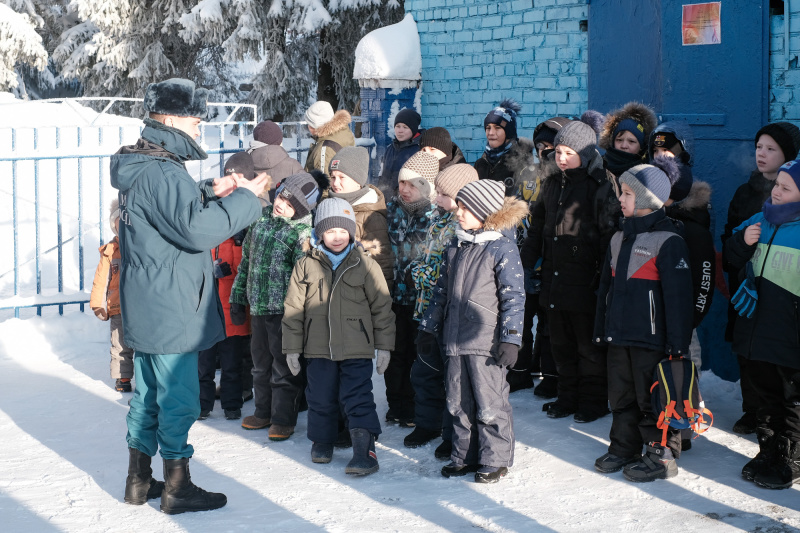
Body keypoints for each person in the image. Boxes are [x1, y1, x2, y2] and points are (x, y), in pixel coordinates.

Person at [111, 78, 268, 513]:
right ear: (172, 118)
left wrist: (208, 191)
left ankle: (138, 480)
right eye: (196, 119)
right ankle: (178, 487)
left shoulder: (147, 165)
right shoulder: (162, 171)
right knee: (178, 396)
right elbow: (196, 231)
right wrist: (247, 200)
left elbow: (167, 211)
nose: (200, 128)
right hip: (170, 302)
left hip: (149, 299)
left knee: (146, 394)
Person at [418, 180, 527, 484]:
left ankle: (495, 458)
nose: (458, 212)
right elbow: (440, 290)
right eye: (459, 206)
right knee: (457, 401)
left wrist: (511, 338)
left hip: (486, 342)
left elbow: (513, 296)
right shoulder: (456, 244)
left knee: (489, 403)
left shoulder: (501, 247)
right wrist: (428, 327)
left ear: (484, 212)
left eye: (466, 208)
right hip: (454, 339)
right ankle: (464, 454)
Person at [593, 159, 693, 483]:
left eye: (627, 194)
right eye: (621, 193)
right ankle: (623, 447)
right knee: (621, 396)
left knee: (653, 399)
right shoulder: (618, 238)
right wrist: (601, 329)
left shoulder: (668, 241)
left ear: (647, 200)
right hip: (619, 336)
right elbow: (604, 290)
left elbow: (679, 300)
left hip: (653, 340)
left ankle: (660, 455)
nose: (620, 199)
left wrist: (677, 346)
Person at [282, 198, 396, 475]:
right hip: (318, 348)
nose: (337, 237)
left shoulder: (366, 265)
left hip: (356, 347)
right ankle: (323, 440)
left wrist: (384, 347)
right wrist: (292, 349)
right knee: (320, 396)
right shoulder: (305, 266)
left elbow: (382, 308)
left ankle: (363, 449)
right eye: (330, 231)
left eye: (343, 231)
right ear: (319, 232)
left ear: (351, 233)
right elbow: (294, 310)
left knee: (357, 396)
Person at [521, 118, 620, 423]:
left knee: (587, 346)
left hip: (584, 281)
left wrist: (601, 281)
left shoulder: (601, 185)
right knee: (560, 343)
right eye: (559, 151)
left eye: (569, 152)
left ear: (586, 152)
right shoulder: (552, 183)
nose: (561, 158)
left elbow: (609, 237)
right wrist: (525, 265)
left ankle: (592, 400)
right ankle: (567, 395)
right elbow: (537, 228)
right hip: (554, 276)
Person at [725, 160, 800, 490]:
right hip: (757, 329)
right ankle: (769, 450)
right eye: (776, 184)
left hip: (790, 334)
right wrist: (742, 241)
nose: (776, 191)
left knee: (794, 401)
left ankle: (793, 458)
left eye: (785, 187)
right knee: (766, 396)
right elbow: (730, 258)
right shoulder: (760, 219)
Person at [230, 172, 319, 442]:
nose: (281, 204)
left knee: (284, 366)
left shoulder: (301, 233)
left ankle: (283, 418)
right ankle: (263, 411)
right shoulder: (260, 220)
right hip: (258, 308)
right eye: (281, 197)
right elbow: (246, 262)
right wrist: (237, 297)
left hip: (284, 312)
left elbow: (305, 278)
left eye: (290, 204)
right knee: (260, 364)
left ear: (300, 210)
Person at [405, 163, 478, 455]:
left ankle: (452, 433)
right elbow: (425, 258)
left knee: (453, 379)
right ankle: (427, 422)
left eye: (444, 194)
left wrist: (418, 273)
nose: (436, 199)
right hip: (426, 309)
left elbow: (441, 273)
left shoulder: (462, 228)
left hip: (450, 315)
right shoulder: (438, 221)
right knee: (425, 370)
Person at [197, 152, 260, 422]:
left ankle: (232, 405)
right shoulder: (210, 210)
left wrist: (228, 266)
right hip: (206, 308)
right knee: (204, 365)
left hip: (232, 305)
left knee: (233, 363)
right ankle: (203, 404)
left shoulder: (247, 218)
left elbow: (248, 262)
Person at [384, 151, 439, 427]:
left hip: (421, 300)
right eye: (401, 183)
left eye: (412, 185)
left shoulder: (434, 217)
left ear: (427, 187)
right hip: (394, 296)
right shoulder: (392, 209)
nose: (404, 190)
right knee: (395, 352)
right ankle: (397, 404)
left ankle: (418, 405)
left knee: (418, 355)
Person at [328, 146, 395, 290]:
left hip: (358, 295)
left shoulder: (370, 215)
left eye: (342, 177)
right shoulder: (329, 207)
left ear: (357, 180)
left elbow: (382, 263)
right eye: (332, 177)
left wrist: (381, 303)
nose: (335, 183)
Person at [89, 199, 132, 393]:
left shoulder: (140, 246)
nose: (121, 226)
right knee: (119, 343)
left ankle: (149, 376)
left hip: (140, 306)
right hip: (117, 307)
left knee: (144, 344)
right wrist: (97, 303)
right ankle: (123, 378)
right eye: (117, 222)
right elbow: (100, 279)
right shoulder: (110, 251)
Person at [474, 99, 531, 196]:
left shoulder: (522, 165)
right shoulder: (481, 164)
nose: (491, 133)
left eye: (497, 128)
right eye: (488, 128)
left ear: (509, 133)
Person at [599, 102, 658, 179]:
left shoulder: (648, 174)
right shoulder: (599, 167)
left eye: (631, 141)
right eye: (619, 140)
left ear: (642, 146)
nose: (624, 146)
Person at [247, 120, 303, 198]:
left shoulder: (244, 166)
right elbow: (305, 194)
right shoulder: (293, 166)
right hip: (286, 209)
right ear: (279, 141)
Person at [376, 108, 422, 196]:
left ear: (413, 129)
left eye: (405, 127)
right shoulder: (390, 149)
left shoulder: (419, 151)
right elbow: (382, 175)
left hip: (406, 200)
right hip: (385, 200)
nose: (400, 130)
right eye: (397, 126)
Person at [304, 101, 355, 174]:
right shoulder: (342, 132)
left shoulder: (325, 148)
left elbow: (324, 181)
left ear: (315, 126)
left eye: (309, 124)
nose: (308, 128)